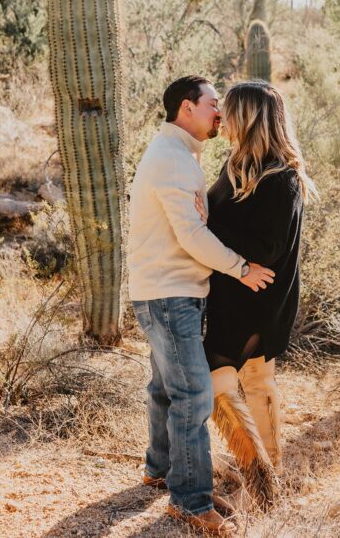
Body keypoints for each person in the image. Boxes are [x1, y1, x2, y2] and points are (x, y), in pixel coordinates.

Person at [128, 75, 275, 536]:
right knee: (193, 396)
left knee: (165, 389)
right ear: (186, 108)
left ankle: (160, 468)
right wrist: (240, 268)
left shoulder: (176, 154)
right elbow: (191, 236)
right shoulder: (173, 160)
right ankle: (190, 501)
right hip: (171, 294)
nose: (220, 113)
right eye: (213, 103)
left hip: (163, 291)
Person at [196, 80, 317, 498]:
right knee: (249, 378)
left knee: (236, 377)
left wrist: (207, 224)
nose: (222, 118)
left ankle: (263, 471)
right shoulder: (239, 166)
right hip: (235, 294)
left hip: (259, 297)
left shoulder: (280, 177)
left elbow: (268, 246)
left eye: (230, 111)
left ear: (249, 118)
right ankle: (263, 467)